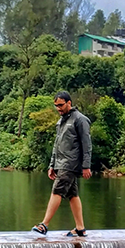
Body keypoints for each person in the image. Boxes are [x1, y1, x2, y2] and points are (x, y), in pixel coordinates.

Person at [32, 91, 92, 237]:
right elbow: (56, 144)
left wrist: (86, 166)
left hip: (70, 164)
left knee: (57, 191)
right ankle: (80, 228)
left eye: (60, 105)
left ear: (69, 103)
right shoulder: (61, 121)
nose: (58, 108)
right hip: (60, 164)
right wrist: (52, 165)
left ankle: (44, 225)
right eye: (56, 106)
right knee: (73, 194)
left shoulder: (80, 120)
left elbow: (87, 144)